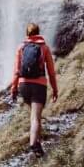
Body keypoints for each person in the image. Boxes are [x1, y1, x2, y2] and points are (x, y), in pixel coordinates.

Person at [11, 22, 58, 157]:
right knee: (36, 118)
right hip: (39, 85)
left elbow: (16, 71)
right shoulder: (44, 48)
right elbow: (51, 72)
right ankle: (33, 144)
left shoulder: (20, 47)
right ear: (38, 32)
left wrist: (14, 88)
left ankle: (38, 146)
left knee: (34, 116)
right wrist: (55, 89)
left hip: (24, 85)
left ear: (27, 34)